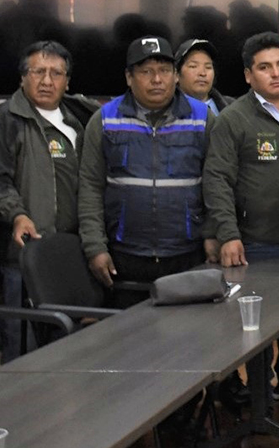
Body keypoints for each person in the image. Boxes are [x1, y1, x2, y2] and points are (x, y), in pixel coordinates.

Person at [202, 31, 279, 433]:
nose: (276, 74)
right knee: (256, 325)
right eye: (264, 67)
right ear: (249, 76)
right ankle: (260, 400)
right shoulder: (233, 119)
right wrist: (228, 233)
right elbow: (217, 180)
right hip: (255, 240)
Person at [0, 41, 99, 362]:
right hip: (21, 257)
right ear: (22, 78)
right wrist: (16, 214)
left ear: (68, 81)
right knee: (24, 354)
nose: (47, 81)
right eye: (38, 72)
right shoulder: (4, 120)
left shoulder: (80, 120)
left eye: (56, 73)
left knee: (69, 352)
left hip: (70, 256)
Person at [77, 36, 215, 308]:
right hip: (125, 259)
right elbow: (90, 188)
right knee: (130, 344)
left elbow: (217, 183)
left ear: (176, 76)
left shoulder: (202, 118)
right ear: (129, 77)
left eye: (164, 71)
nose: (157, 79)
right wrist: (95, 247)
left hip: (187, 255)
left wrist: (214, 233)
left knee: (191, 345)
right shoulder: (105, 120)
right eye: (146, 71)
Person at [175, 39, 232, 114]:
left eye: (208, 67)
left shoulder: (234, 107)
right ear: (176, 75)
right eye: (193, 66)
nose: (202, 73)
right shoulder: (164, 110)